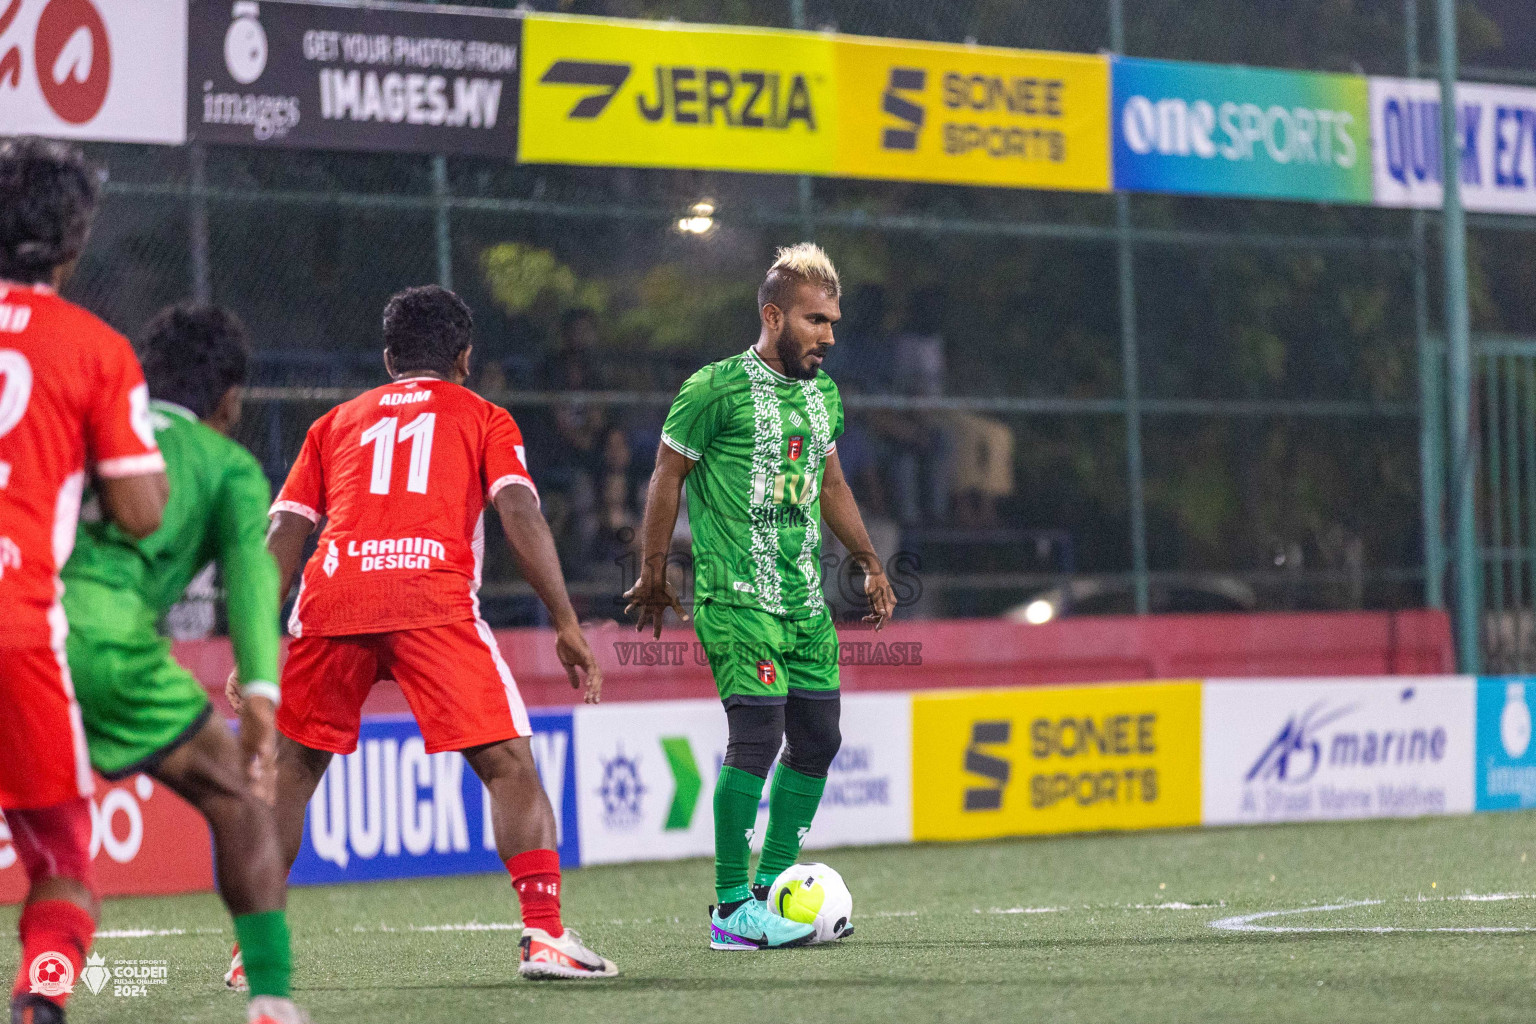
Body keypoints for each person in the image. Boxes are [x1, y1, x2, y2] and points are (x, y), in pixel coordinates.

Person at [233, 285, 618, 980]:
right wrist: (566, 620)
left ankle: (253, 952)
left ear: (389, 359)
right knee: (508, 764)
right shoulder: (485, 417)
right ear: (465, 358)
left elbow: (285, 527)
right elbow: (521, 513)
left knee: (291, 768)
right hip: (429, 598)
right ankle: (545, 935)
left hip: (333, 594)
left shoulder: (334, 423)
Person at [623, 244, 897, 950]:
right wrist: (654, 570)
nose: (828, 337)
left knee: (820, 738)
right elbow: (665, 475)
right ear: (773, 316)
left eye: (833, 322)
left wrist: (868, 560)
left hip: (804, 601)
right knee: (757, 738)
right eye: (814, 321)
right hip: (734, 597)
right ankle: (726, 909)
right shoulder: (713, 388)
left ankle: (771, 886)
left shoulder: (823, 395)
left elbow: (832, 485)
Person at [60, 304, 307, 1024]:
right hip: (109, 650)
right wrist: (259, 700)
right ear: (230, 398)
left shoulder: (91, 424)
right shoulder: (227, 464)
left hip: (21, 631)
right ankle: (269, 997)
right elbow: (253, 586)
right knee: (240, 803)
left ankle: (41, 991)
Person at [0, 138, 169, 1024]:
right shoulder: (96, 349)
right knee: (63, 860)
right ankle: (42, 1000)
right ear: (74, 241)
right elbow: (143, 511)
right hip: (17, 630)